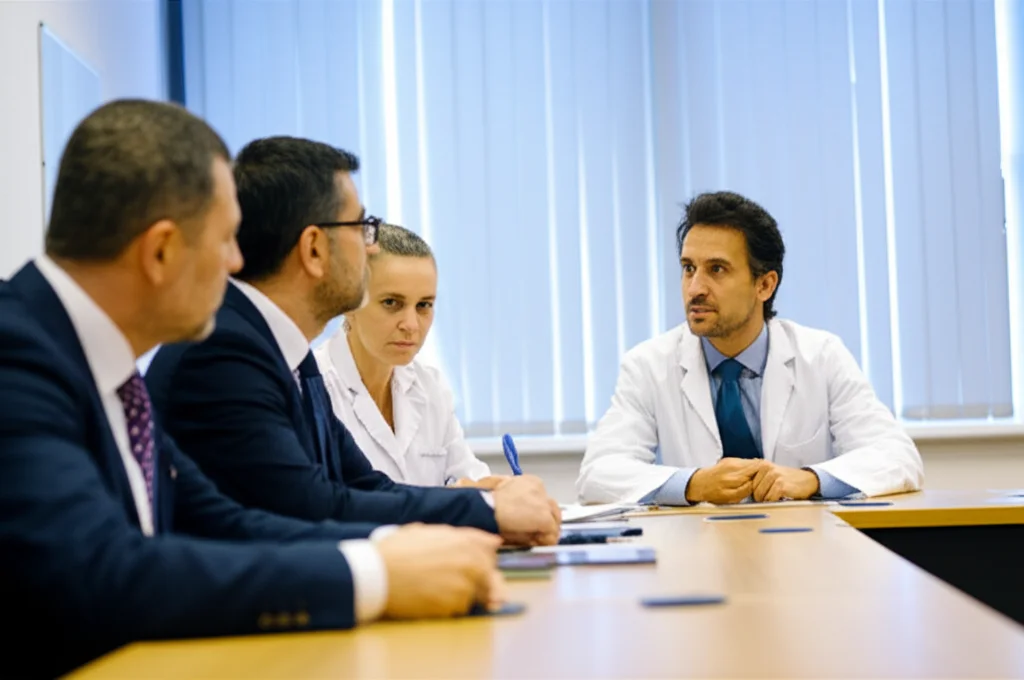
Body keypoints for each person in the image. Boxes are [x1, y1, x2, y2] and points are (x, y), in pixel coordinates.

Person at [0, 101, 505, 678]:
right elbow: (103, 572)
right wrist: (373, 576)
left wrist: (396, 551)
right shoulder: (17, 355)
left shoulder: (105, 372)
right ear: (161, 251)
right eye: (224, 240)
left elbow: (224, 520)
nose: (239, 262)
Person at [145, 136, 560, 545]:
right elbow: (312, 506)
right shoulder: (223, 353)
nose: (372, 244)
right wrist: (485, 512)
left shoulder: (288, 354)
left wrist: (486, 501)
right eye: (362, 227)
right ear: (313, 249)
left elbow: (365, 487)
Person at [577, 191, 924, 505]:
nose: (695, 288)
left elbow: (897, 457)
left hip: (803, 550)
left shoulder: (821, 356)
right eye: (688, 268)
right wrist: (693, 484)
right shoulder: (648, 365)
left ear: (765, 284)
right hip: (694, 554)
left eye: (717, 269)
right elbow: (598, 474)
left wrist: (810, 479)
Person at [315, 223, 505, 488]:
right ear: (349, 302)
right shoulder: (312, 387)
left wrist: (501, 489)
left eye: (424, 305)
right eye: (392, 303)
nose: (411, 325)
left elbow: (466, 476)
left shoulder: (431, 387)